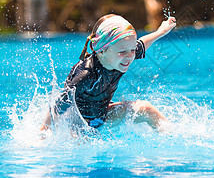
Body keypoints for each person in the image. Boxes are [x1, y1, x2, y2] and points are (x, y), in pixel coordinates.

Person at [41, 14, 176, 131]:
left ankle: (172, 137)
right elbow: (58, 105)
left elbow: (142, 43)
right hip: (79, 125)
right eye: (123, 52)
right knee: (82, 143)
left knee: (146, 109)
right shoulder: (86, 74)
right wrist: (42, 133)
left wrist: (161, 31)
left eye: (133, 49)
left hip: (103, 116)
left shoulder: (121, 56)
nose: (130, 56)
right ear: (102, 50)